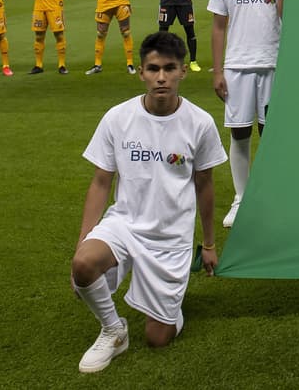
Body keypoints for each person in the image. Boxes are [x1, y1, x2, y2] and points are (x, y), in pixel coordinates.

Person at [69, 31, 226, 373]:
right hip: (124, 224)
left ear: (183, 71)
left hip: (171, 238)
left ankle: (170, 306)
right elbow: (100, 181)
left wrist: (210, 243)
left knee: (158, 339)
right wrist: (85, 239)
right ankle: (113, 331)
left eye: (169, 69)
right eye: (153, 69)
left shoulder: (200, 123)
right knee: (82, 266)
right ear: (141, 72)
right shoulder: (117, 117)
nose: (161, 77)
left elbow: (205, 185)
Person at [208, 0, 284, 228]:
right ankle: (241, 199)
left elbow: (288, 16)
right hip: (237, 68)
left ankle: (270, 197)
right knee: (239, 133)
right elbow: (217, 27)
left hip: (274, 66)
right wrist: (217, 71)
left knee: (271, 136)